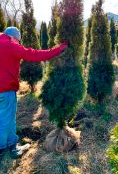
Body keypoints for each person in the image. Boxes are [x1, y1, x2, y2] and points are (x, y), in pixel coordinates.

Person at [0, 27, 68, 158]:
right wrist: (58, 49)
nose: (18, 43)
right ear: (13, 38)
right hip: (5, 90)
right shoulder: (10, 45)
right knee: (4, 119)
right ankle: (2, 148)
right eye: (18, 41)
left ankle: (12, 145)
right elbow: (35, 55)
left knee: (8, 117)